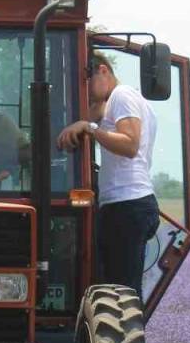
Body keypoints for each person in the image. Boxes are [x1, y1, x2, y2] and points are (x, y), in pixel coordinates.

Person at [57, 52, 160, 301]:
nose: (87, 92)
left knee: (122, 296)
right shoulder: (118, 100)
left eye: (86, 82)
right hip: (127, 204)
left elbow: (129, 144)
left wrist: (89, 128)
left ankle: (128, 341)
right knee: (117, 291)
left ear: (103, 71)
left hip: (127, 204)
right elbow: (99, 115)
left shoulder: (122, 96)